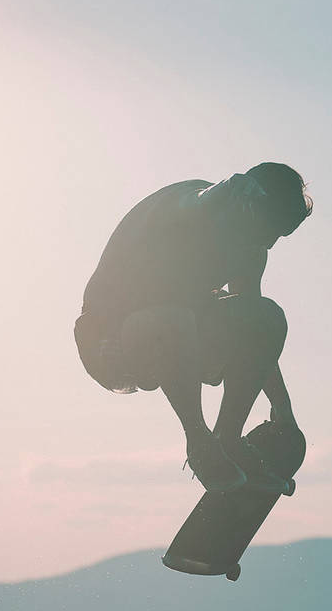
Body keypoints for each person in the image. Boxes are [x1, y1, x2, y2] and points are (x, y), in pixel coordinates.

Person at [74, 162, 311, 493]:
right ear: (246, 205)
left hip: (181, 336)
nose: (270, 242)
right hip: (106, 340)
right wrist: (230, 188)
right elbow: (199, 201)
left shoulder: (252, 248)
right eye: (270, 227)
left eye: (280, 235)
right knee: (174, 317)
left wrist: (283, 412)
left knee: (265, 315)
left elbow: (256, 337)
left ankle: (227, 439)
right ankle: (199, 442)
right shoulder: (190, 203)